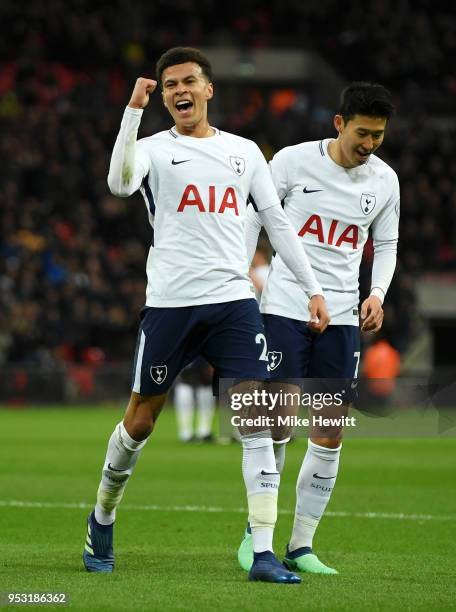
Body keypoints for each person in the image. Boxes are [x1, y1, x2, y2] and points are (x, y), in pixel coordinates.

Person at [82, 46, 330, 584]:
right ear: (163, 96)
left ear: (209, 89)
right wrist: (131, 110)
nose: (179, 91)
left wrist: (313, 288)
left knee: (255, 418)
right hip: (170, 303)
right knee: (140, 421)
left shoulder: (244, 152)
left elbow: (276, 223)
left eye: (188, 81)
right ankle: (103, 514)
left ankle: (263, 551)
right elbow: (119, 184)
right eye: (170, 85)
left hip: (232, 300)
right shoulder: (150, 147)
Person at [239, 82, 400, 575]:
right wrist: (241, 273)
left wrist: (376, 295)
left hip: (345, 316)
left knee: (330, 433)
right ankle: (257, 535)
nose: (369, 144)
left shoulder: (385, 181)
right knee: (277, 421)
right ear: (338, 123)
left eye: (377, 135)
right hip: (286, 306)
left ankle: (301, 546)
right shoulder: (291, 162)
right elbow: (254, 218)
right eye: (362, 133)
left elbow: (387, 244)